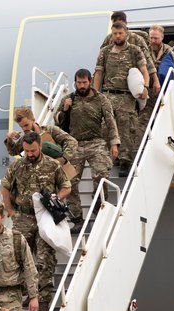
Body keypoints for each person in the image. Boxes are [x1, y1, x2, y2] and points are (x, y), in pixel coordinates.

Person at [0, 131, 71, 311]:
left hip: (45, 216)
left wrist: (58, 196)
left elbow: (66, 185)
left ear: (39, 146)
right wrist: (11, 211)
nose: (29, 154)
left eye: (32, 150)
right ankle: (26, 294)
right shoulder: (17, 166)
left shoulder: (52, 165)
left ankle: (44, 299)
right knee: (19, 257)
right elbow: (5, 187)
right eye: (26, 151)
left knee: (44, 258)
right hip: (23, 217)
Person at [56, 69, 120, 232]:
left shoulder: (101, 99)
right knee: (69, 182)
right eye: (79, 83)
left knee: (101, 175)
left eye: (84, 83)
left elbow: (110, 122)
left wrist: (114, 143)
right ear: (75, 82)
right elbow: (57, 122)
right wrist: (65, 109)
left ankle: (99, 205)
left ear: (90, 81)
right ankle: (77, 219)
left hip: (96, 142)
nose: (82, 86)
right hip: (74, 144)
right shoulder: (69, 98)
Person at [93, 21, 149, 178]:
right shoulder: (105, 52)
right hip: (108, 95)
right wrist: (95, 95)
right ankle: (113, 158)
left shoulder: (134, 51)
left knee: (125, 129)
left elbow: (144, 71)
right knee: (106, 128)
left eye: (120, 33)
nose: (117, 36)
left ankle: (125, 161)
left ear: (126, 33)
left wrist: (145, 87)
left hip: (126, 97)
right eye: (115, 34)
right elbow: (98, 74)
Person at [138, 25, 174, 139]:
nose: (153, 41)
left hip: (165, 94)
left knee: (166, 124)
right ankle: (139, 151)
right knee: (142, 125)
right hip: (148, 94)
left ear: (162, 38)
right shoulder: (144, 50)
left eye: (156, 38)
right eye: (151, 38)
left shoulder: (170, 52)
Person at [100, 10, 160, 97]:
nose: (117, 26)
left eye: (119, 23)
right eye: (114, 23)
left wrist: (156, 80)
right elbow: (100, 63)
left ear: (125, 23)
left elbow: (148, 61)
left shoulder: (137, 39)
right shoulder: (109, 39)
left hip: (132, 85)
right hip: (111, 87)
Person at [4, 106, 77, 163]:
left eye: (26, 125)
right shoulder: (26, 138)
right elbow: (14, 152)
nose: (24, 129)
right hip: (41, 175)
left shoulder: (50, 130)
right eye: (21, 127)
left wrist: (64, 158)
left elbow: (72, 141)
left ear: (33, 120)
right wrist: (9, 138)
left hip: (58, 170)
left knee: (45, 146)